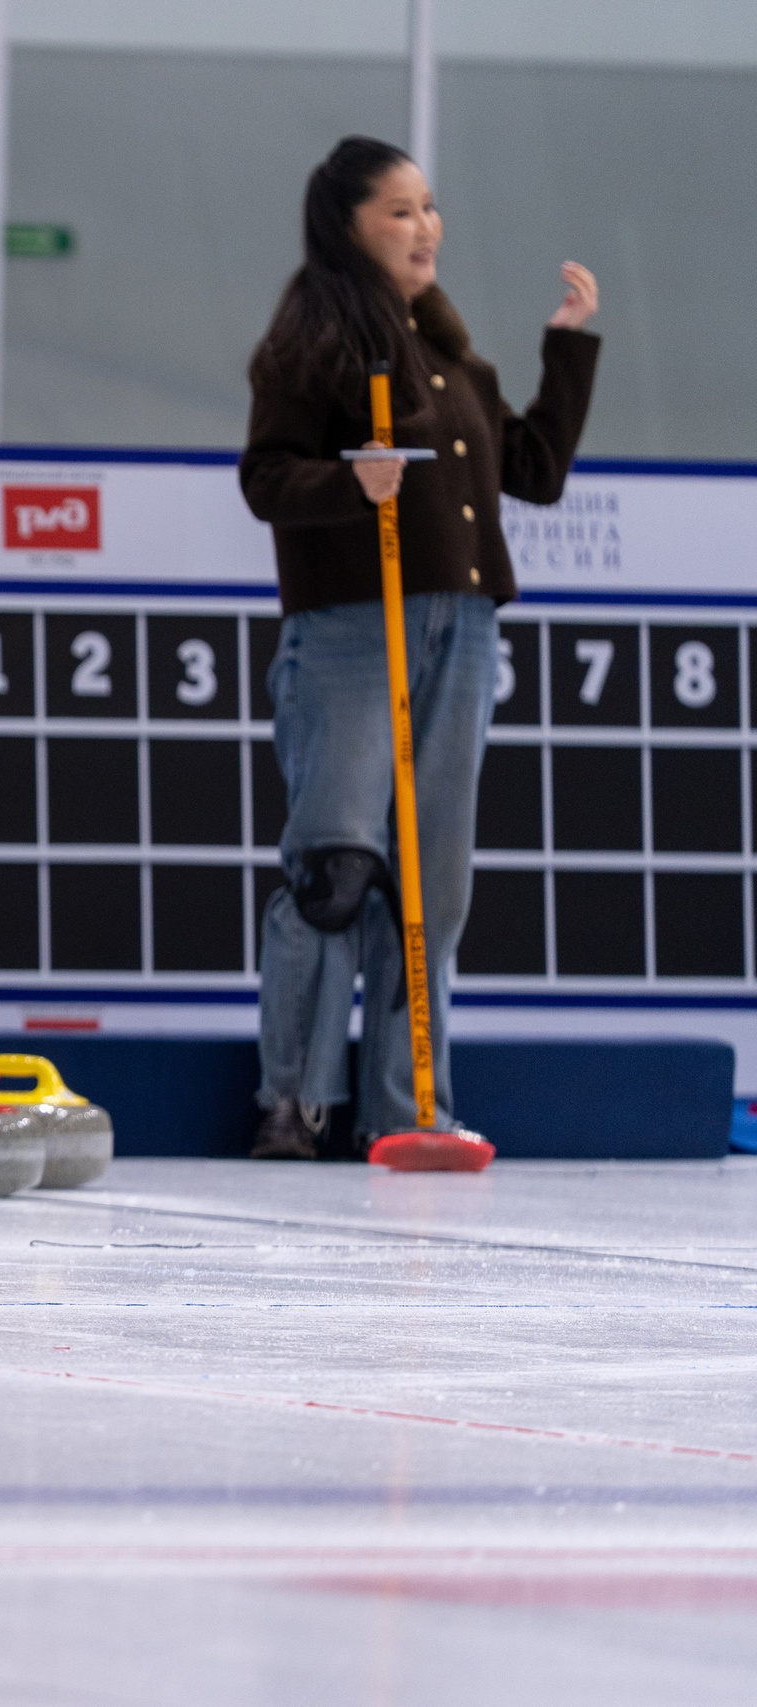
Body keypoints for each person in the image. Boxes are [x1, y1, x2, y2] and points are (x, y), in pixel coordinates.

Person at [241, 135, 599, 1159]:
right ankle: (294, 1101)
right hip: (355, 627)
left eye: (428, 206)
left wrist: (564, 349)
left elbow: (533, 472)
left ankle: (406, 1108)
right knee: (337, 870)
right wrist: (350, 483)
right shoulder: (313, 342)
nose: (423, 226)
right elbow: (266, 478)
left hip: (462, 627)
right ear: (348, 227)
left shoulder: (452, 358)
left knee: (430, 885)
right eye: (399, 210)